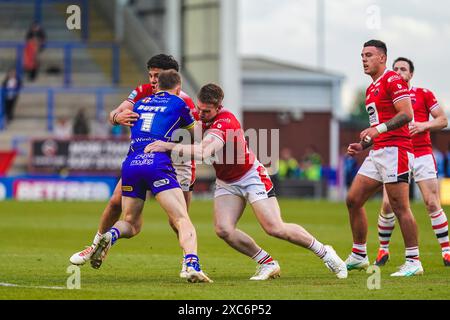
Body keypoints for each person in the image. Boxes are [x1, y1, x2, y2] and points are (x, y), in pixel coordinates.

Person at [145, 83, 348, 280]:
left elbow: (204, 152)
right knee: (223, 229)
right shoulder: (201, 119)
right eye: (199, 109)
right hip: (226, 181)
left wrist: (167, 145)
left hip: (250, 177)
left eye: (206, 111)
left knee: (274, 227)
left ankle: (325, 252)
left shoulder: (225, 122)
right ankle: (267, 262)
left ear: (218, 107)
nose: (201, 113)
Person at [69, 54, 198, 278]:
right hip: (150, 157)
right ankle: (96, 244)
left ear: (170, 76)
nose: (152, 80)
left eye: (157, 76)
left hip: (178, 161)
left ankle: (186, 260)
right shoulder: (142, 92)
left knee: (176, 218)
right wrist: (116, 118)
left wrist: (165, 144)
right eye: (150, 75)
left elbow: (189, 138)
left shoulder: (183, 99)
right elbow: (114, 114)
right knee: (115, 203)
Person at [345, 40, 423, 277]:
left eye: (368, 55)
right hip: (378, 151)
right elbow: (377, 127)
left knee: (400, 207)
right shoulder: (371, 89)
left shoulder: (393, 80)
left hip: (396, 151)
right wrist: (363, 144)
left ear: (382, 58)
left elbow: (407, 115)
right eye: (361, 55)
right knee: (353, 200)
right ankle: (359, 255)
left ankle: (413, 261)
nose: (364, 59)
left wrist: (376, 132)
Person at [374, 57, 449, 267]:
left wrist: (424, 126)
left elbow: (443, 120)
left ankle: (446, 250)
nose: (398, 72)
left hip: (421, 153)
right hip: (397, 154)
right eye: (395, 68)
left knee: (432, 202)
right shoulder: (387, 95)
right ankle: (383, 250)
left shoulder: (423, 94)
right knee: (388, 204)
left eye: (403, 69)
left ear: (411, 74)